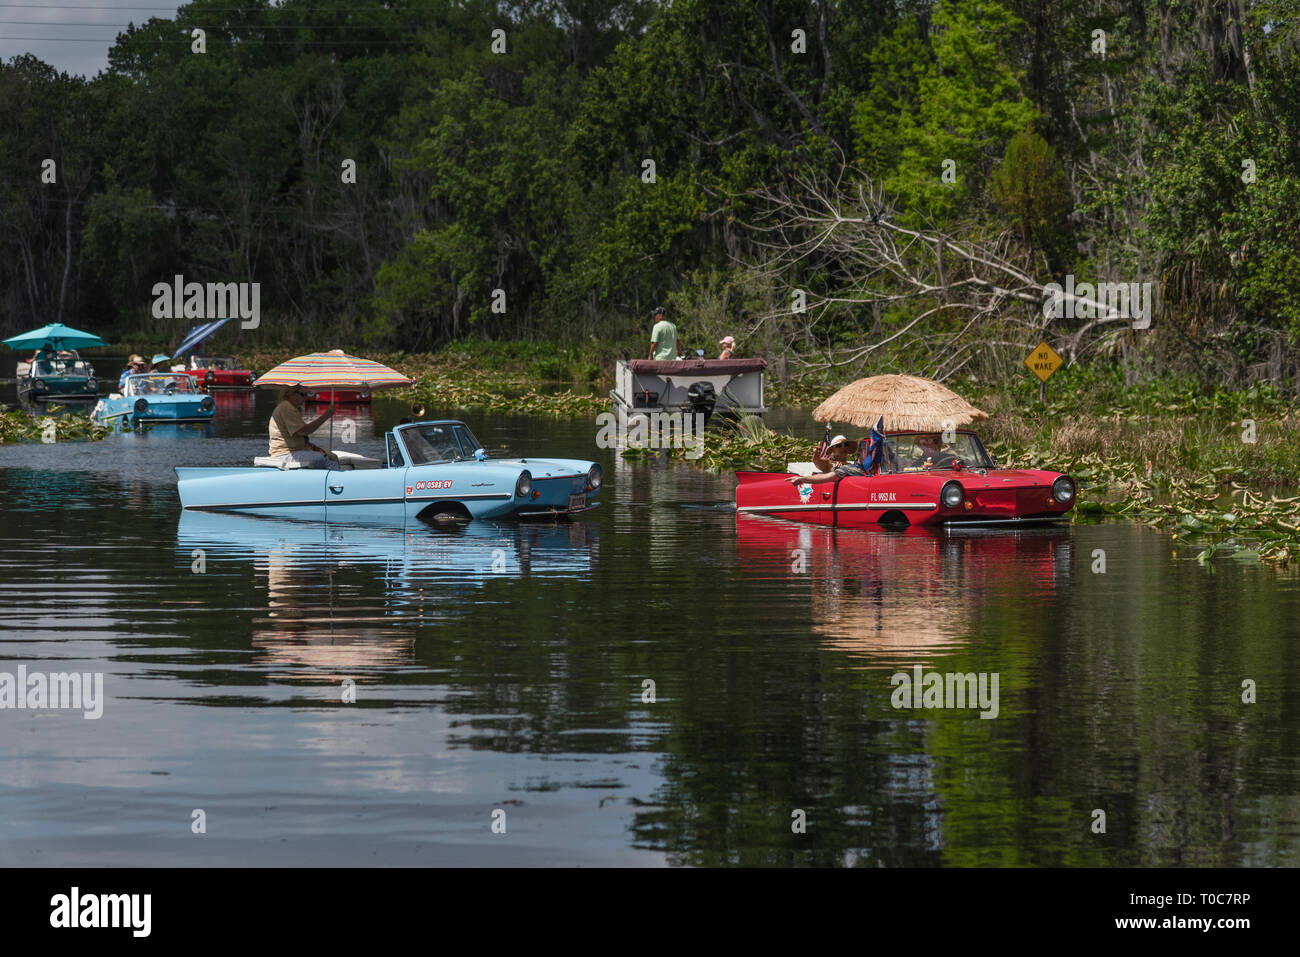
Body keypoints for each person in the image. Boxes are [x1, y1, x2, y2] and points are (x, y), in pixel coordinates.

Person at [268, 385, 339, 467]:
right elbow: (303, 431)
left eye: (307, 394)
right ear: (290, 394)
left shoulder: (288, 407)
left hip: (291, 452)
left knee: (330, 456)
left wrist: (312, 447)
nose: (305, 398)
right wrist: (326, 415)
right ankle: (337, 479)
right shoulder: (286, 407)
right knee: (327, 460)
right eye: (303, 394)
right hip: (285, 454)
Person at [792, 434, 866, 485]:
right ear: (833, 450)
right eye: (839, 445)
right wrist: (816, 454)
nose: (843, 447)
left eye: (846, 445)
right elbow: (817, 462)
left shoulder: (851, 466)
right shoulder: (829, 464)